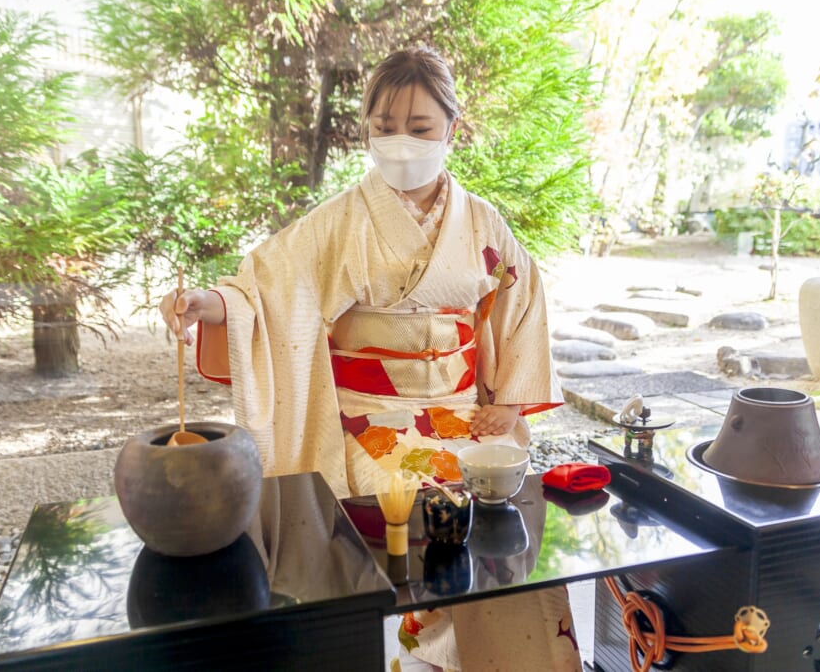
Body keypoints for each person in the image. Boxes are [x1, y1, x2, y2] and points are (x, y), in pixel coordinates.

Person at [161, 46, 580, 672]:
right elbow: (267, 291)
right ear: (366, 130)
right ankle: (408, 659)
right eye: (384, 128)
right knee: (404, 496)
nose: (401, 143)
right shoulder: (336, 223)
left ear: (452, 131)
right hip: (369, 419)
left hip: (461, 413)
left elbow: (521, 304)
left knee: (509, 514)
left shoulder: (483, 224)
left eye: (420, 129)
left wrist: (512, 406)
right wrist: (211, 304)